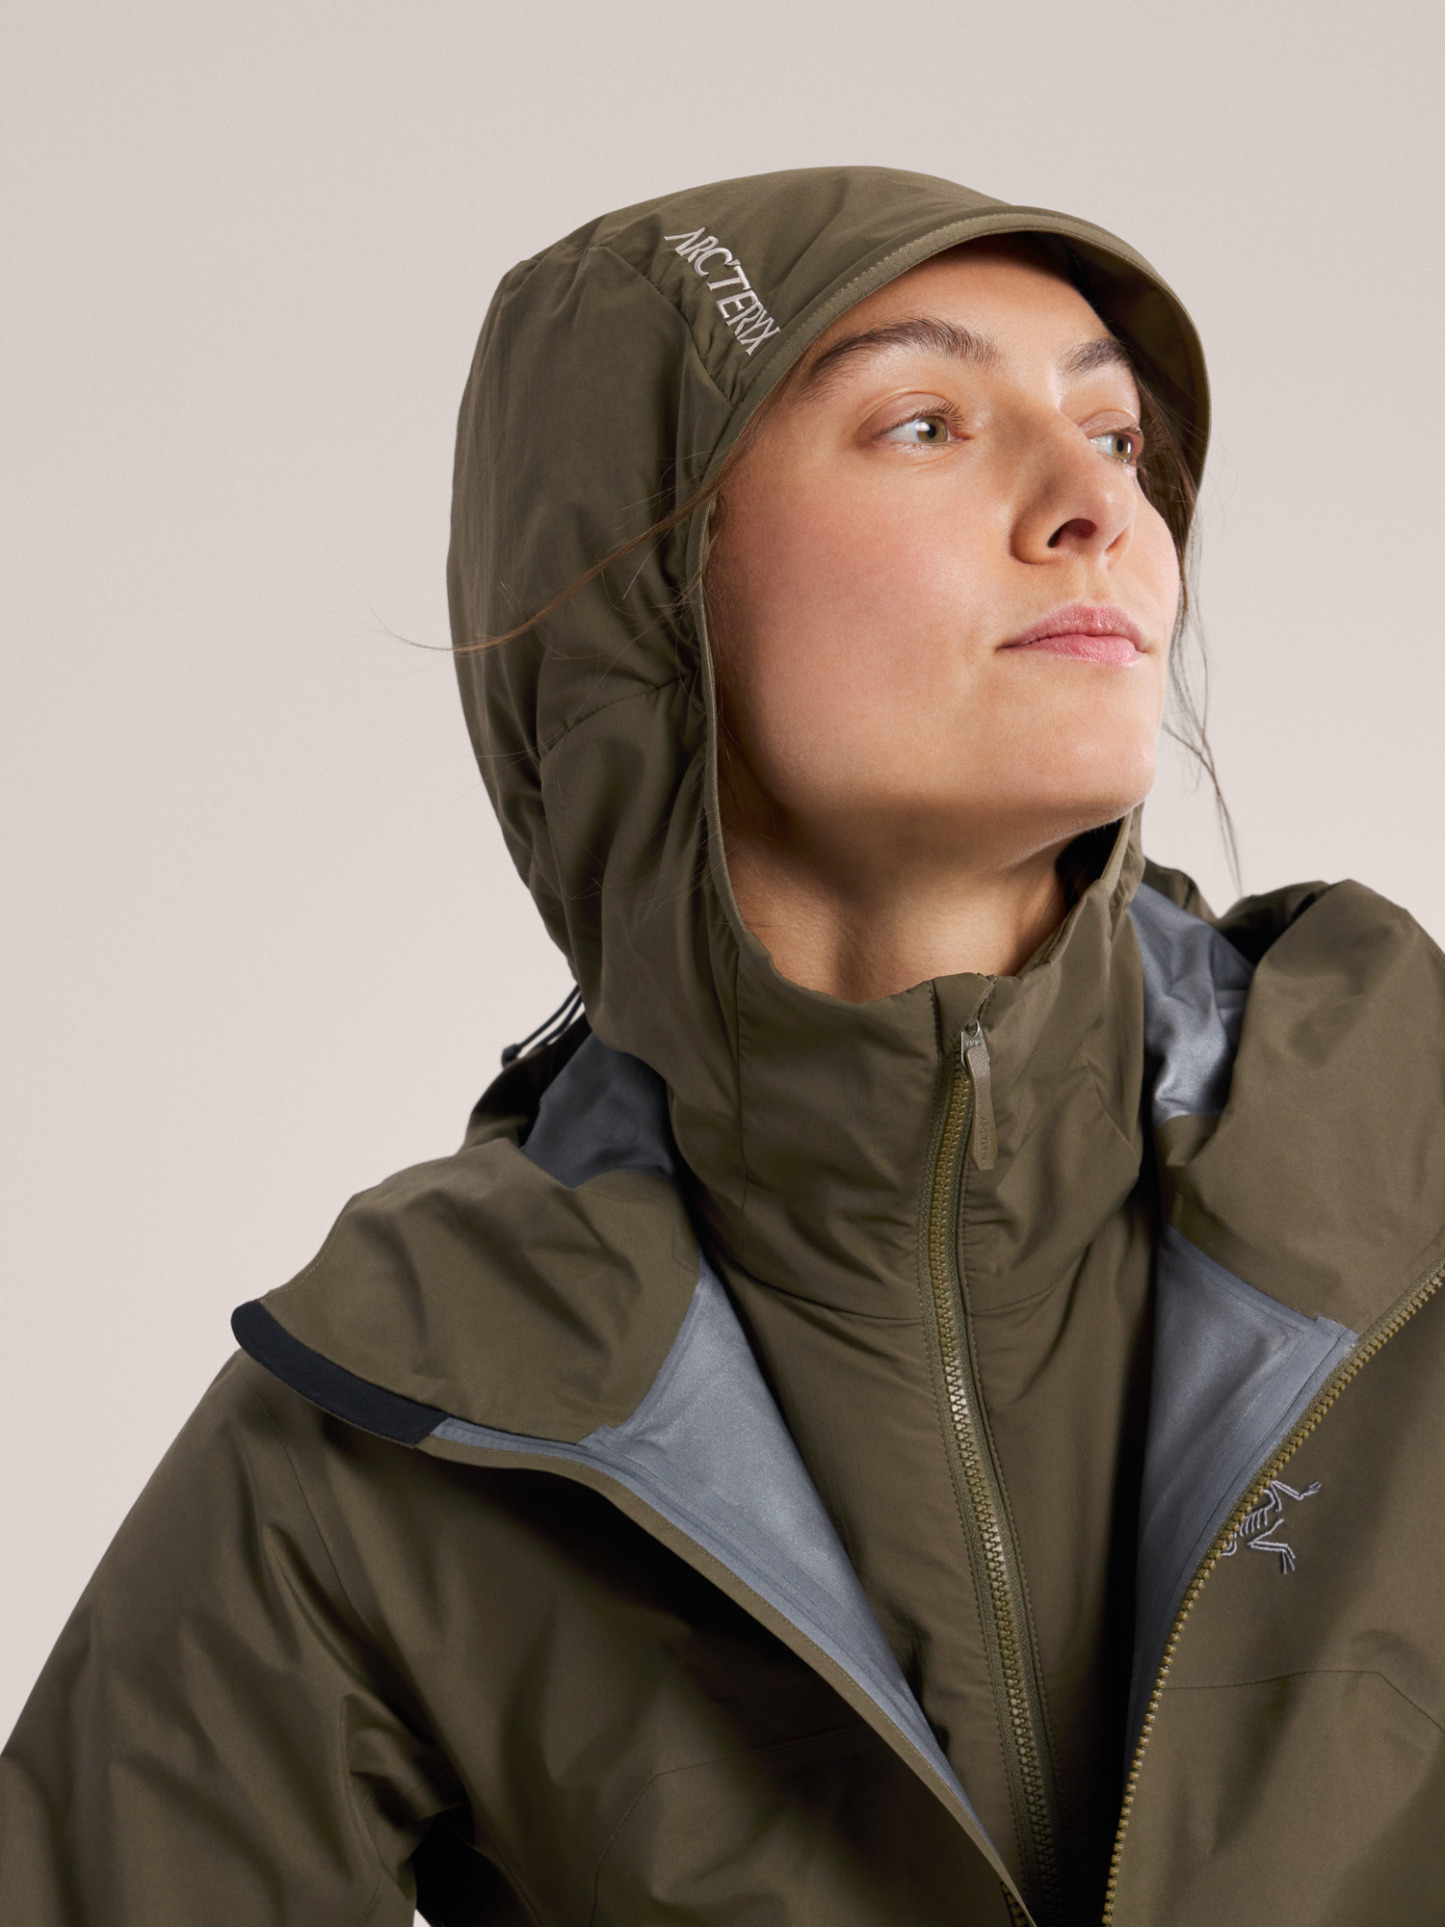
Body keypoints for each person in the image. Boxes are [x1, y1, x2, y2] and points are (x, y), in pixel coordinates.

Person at [3, 164, 1443, 1927]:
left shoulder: (1412, 1150)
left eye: (1116, 436)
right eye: (925, 424)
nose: (1096, 508)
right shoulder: (411, 1400)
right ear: (644, 594)